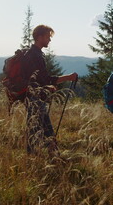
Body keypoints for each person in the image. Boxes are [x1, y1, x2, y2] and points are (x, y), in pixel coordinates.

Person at [24, 24, 77, 156]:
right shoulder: (35, 55)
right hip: (35, 98)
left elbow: (38, 79)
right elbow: (45, 79)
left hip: (32, 97)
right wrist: (68, 77)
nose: (50, 40)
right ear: (40, 37)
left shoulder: (32, 54)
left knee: (37, 131)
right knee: (42, 131)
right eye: (48, 37)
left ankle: (41, 159)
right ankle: (53, 159)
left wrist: (46, 87)